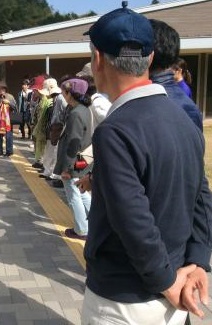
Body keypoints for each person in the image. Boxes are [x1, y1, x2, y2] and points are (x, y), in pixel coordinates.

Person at [82, 5, 208, 324]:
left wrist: (166, 281)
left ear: (98, 58)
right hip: (175, 290)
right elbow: (201, 195)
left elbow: (133, 219)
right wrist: (197, 262)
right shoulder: (183, 118)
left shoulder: (115, 130)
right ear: (150, 60)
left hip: (125, 298)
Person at [149, 19, 212, 324]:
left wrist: (197, 257)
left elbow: (197, 183)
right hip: (173, 253)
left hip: (164, 254)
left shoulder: (171, 106)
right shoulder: (180, 102)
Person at [53, 77, 92, 240]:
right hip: (82, 160)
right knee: (82, 193)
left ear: (70, 93)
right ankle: (94, 222)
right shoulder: (83, 109)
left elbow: (73, 143)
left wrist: (67, 169)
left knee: (74, 195)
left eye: (63, 91)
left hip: (73, 162)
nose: (62, 94)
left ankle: (82, 230)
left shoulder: (75, 113)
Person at [0, 83, 16, 157]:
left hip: (8, 119)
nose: (1, 90)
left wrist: (8, 103)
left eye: (3, 89)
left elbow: (15, 107)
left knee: (8, 135)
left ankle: (9, 151)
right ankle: (0, 150)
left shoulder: (10, 96)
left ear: (5, 89)